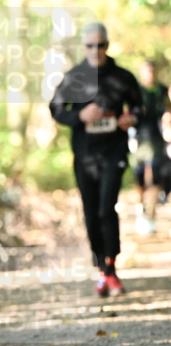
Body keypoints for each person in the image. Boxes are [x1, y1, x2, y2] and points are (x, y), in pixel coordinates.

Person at [49, 22, 142, 297]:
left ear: (107, 45)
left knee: (106, 208)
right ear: (84, 47)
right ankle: (101, 268)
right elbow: (55, 108)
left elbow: (139, 107)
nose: (95, 50)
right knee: (90, 214)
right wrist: (79, 116)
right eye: (90, 46)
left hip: (114, 152)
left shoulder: (123, 77)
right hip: (85, 155)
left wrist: (131, 117)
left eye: (100, 45)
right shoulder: (74, 77)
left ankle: (111, 267)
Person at [133, 60, 169, 235]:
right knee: (140, 178)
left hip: (157, 138)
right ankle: (142, 209)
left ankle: (151, 215)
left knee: (155, 177)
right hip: (139, 138)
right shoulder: (136, 91)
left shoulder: (162, 90)